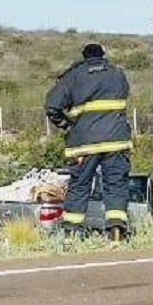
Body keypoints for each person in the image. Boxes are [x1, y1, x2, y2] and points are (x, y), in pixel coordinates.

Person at [45, 43, 132, 239]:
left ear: (84, 57)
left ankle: (71, 234)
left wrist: (68, 126)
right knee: (116, 185)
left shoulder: (73, 77)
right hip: (116, 141)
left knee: (79, 185)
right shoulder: (117, 74)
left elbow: (51, 107)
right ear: (103, 55)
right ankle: (116, 231)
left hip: (83, 144)